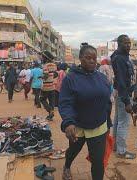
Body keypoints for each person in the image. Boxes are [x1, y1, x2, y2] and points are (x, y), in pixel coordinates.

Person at [59, 44, 111, 180]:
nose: (92, 61)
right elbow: (65, 102)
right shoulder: (71, 78)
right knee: (73, 151)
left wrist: (108, 124)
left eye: (94, 58)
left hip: (99, 126)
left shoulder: (101, 78)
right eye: (88, 58)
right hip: (78, 125)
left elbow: (107, 102)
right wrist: (68, 122)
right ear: (80, 58)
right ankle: (67, 166)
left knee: (98, 161)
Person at [111, 34, 136, 159]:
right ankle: (121, 151)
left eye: (129, 43)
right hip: (123, 94)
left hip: (121, 92)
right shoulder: (120, 58)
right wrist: (127, 101)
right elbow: (121, 80)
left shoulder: (121, 56)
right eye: (125, 43)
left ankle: (114, 146)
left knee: (117, 120)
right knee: (124, 122)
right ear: (119, 44)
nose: (128, 45)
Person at [40, 51, 58, 121]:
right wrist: (51, 78)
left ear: (46, 58)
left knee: (42, 99)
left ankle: (50, 110)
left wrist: (42, 77)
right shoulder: (54, 65)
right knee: (51, 101)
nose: (42, 58)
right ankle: (50, 116)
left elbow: (46, 75)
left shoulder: (45, 66)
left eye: (43, 57)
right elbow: (56, 74)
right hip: (52, 86)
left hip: (45, 87)